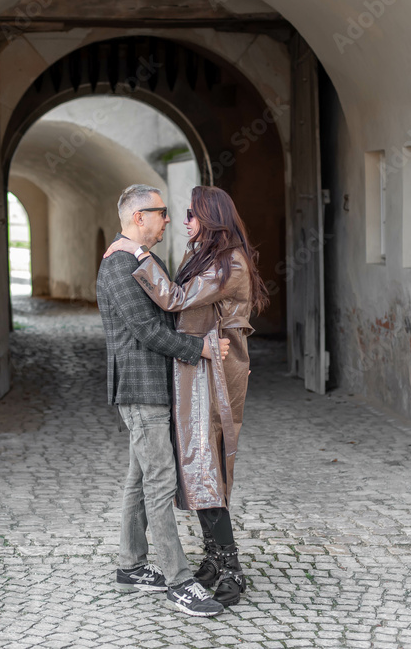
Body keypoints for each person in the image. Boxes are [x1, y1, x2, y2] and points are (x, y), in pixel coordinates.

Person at [104, 185, 268, 607]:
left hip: (211, 375)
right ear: (141, 217)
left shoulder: (225, 262)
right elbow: (155, 325)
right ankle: (195, 568)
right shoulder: (135, 263)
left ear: (211, 219)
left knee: (198, 465)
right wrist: (198, 348)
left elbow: (174, 303)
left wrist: (141, 257)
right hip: (179, 376)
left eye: (191, 214)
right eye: (170, 212)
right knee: (180, 470)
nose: (181, 220)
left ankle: (224, 564)